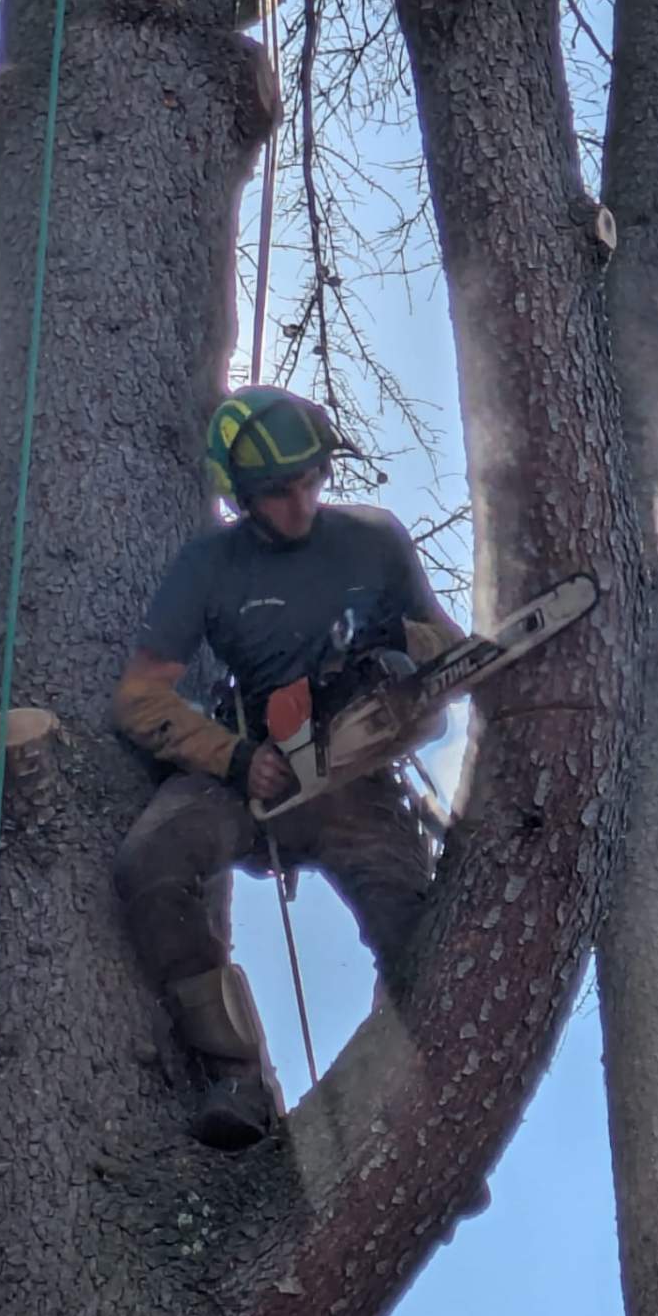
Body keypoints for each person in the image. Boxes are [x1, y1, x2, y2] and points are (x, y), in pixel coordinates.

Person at [112, 386, 462, 1149]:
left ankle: (421, 1123)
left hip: (360, 781)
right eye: (279, 491)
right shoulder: (209, 568)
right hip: (257, 766)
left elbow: (447, 645)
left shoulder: (373, 540)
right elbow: (140, 697)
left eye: (311, 480)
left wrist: (409, 669)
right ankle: (236, 1076)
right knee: (152, 859)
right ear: (242, 496)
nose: (301, 503)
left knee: (415, 932)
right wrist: (235, 758)